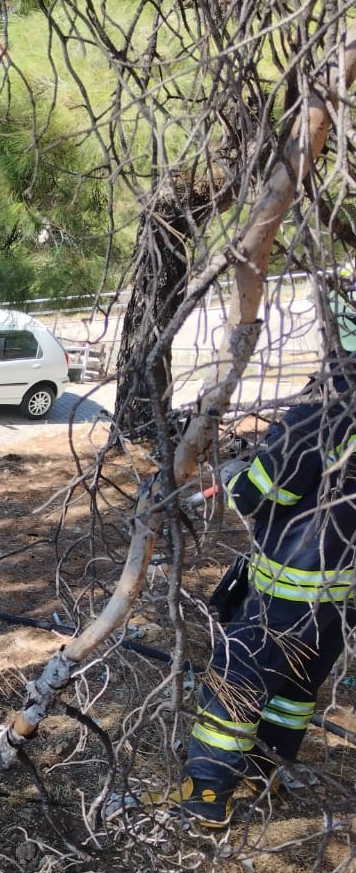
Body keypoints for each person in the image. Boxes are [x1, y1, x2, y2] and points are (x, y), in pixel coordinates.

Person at [152, 287, 356, 827]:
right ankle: (266, 772)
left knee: (234, 689)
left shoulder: (326, 405)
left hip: (282, 596)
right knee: (294, 690)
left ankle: (209, 794)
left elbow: (261, 492)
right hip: (339, 599)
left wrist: (236, 474)